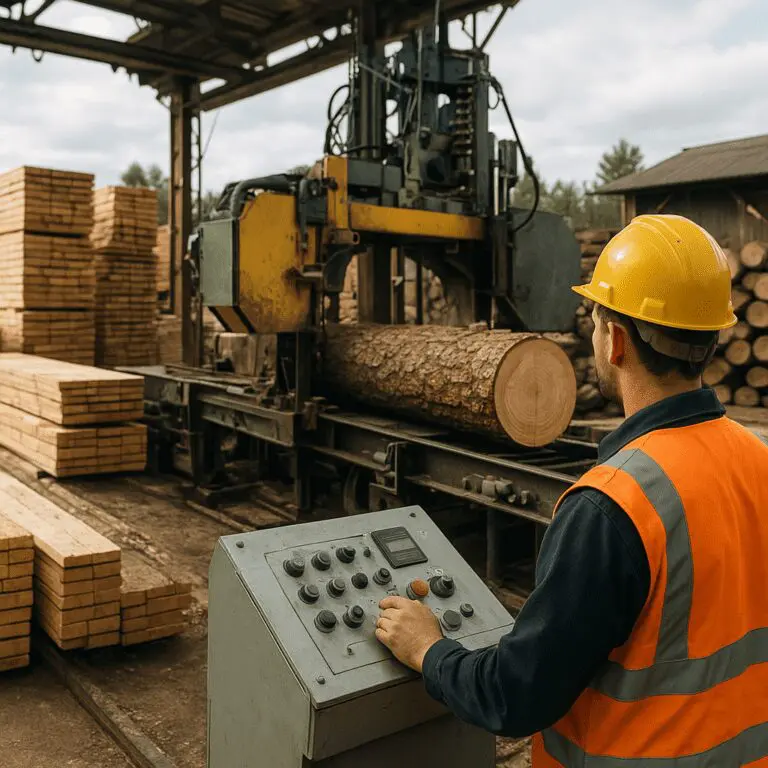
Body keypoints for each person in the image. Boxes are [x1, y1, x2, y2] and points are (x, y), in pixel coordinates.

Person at [375, 214, 768, 766]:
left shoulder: (612, 507)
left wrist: (428, 649)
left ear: (616, 341)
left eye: (597, 319)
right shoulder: (759, 458)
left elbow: (515, 695)